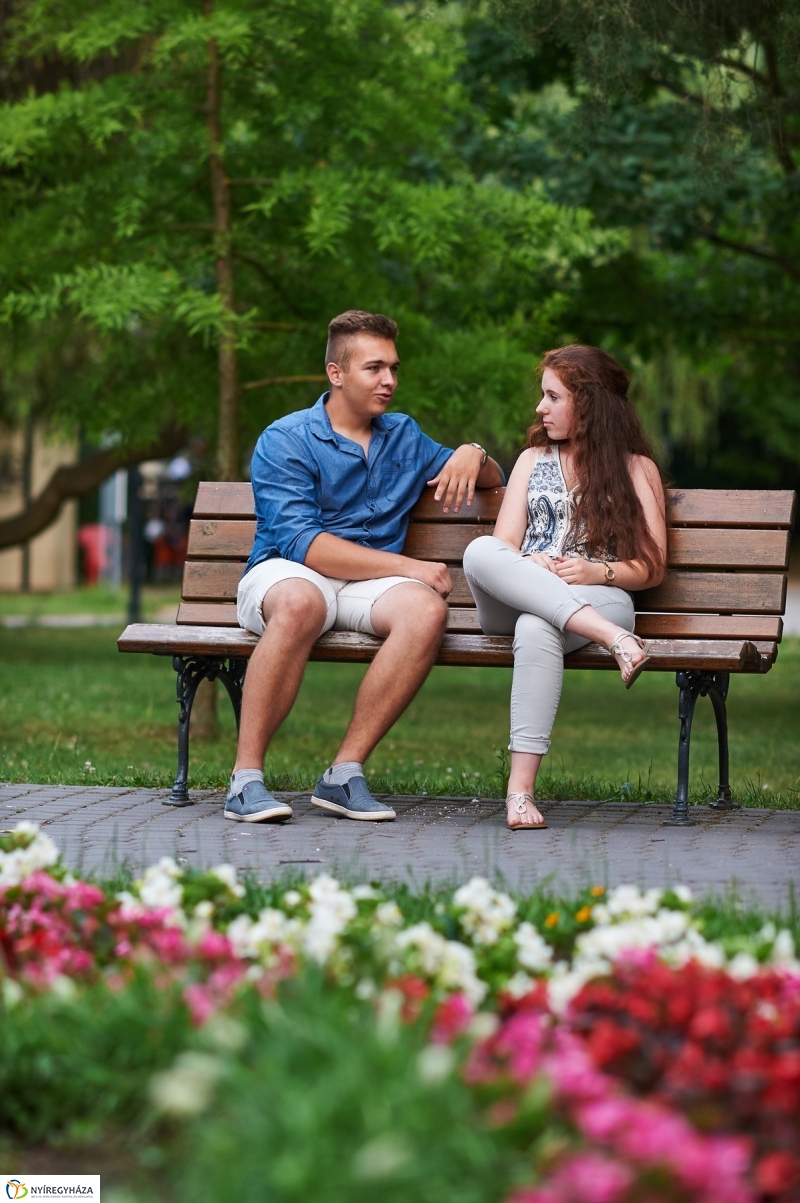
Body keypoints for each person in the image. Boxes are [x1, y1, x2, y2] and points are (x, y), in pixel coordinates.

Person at [226, 309, 504, 824]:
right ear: (336, 374)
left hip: (365, 585)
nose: (390, 380)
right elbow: (303, 544)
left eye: (394, 368)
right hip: (285, 571)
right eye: (374, 368)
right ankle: (246, 781)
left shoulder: (403, 435)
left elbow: (488, 478)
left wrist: (473, 451)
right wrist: (408, 565)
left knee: (425, 613)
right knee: (302, 602)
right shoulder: (285, 438)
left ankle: (342, 775)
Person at [462, 345, 667, 831]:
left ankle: (519, 794)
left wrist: (598, 572)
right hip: (515, 598)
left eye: (553, 397)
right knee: (479, 553)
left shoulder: (637, 469)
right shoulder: (532, 459)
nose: (541, 408)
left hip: (600, 595)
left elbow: (652, 567)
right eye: (542, 396)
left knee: (538, 627)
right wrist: (527, 563)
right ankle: (617, 641)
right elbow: (502, 548)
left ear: (589, 403)